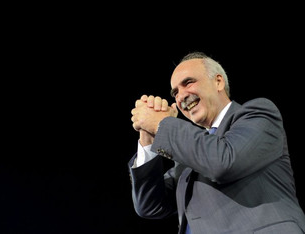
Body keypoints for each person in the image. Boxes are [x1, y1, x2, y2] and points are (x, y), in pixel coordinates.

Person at [128, 51, 305, 234]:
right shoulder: (189, 157)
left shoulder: (259, 114)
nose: (180, 97)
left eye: (188, 83)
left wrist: (162, 124)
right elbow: (149, 205)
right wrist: (148, 138)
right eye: (175, 92)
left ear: (218, 82)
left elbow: (224, 161)